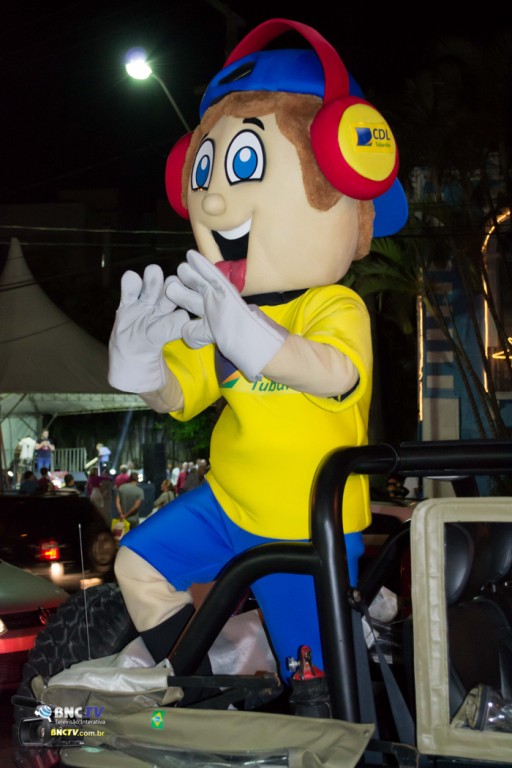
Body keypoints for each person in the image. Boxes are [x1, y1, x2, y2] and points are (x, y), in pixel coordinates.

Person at [108, 18, 407, 689]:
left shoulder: (333, 305)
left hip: (307, 522)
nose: (214, 198)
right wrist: (142, 367)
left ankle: (341, 646)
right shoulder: (223, 313)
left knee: (318, 682)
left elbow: (336, 373)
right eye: (205, 169)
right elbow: (183, 394)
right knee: (140, 565)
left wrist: (252, 339)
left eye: (244, 164)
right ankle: (204, 672)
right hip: (228, 505)